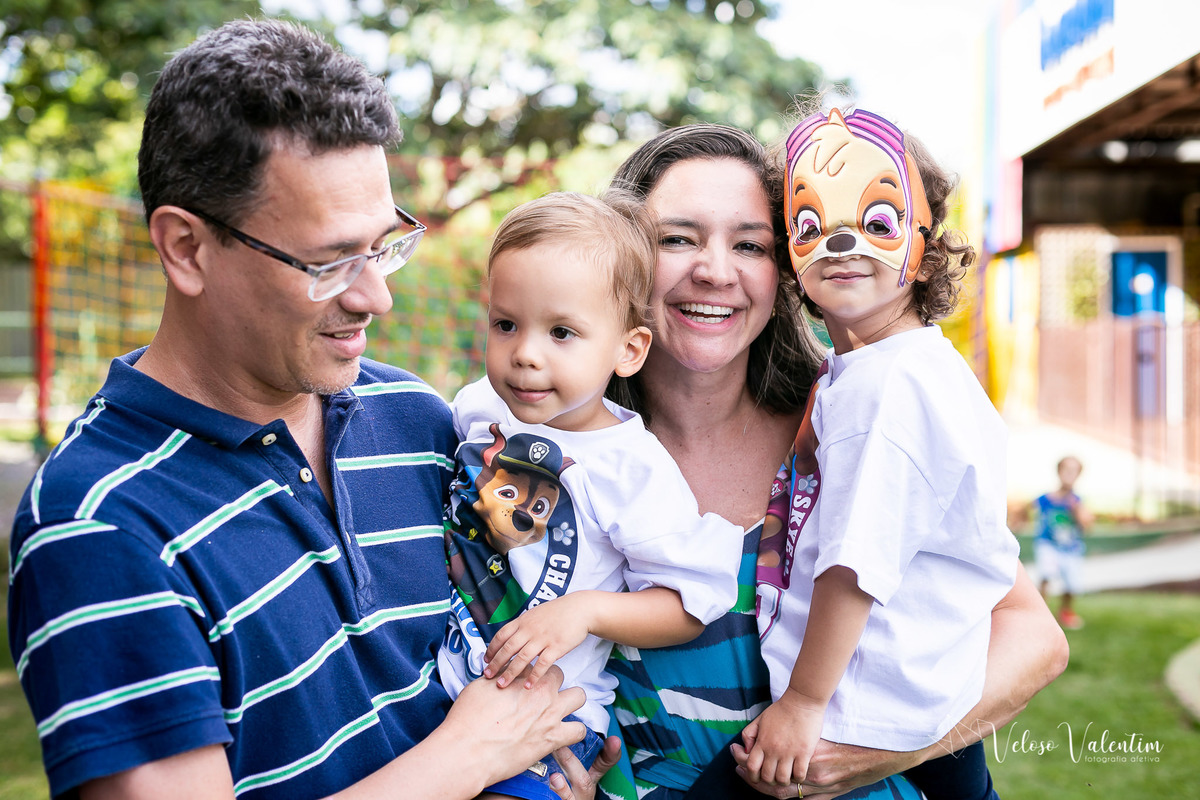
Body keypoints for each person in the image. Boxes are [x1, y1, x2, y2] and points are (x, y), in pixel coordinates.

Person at [6, 19, 616, 800]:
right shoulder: (100, 523)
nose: (376, 296)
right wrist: (469, 758)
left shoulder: (418, 419)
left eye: (385, 244)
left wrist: (554, 758)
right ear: (186, 248)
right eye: (330, 263)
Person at [597, 123, 1070, 800]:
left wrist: (874, 751)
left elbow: (1032, 636)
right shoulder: (571, 449)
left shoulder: (860, 413)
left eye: (750, 244)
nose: (716, 270)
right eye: (677, 238)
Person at [746, 107, 1019, 800]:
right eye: (809, 225)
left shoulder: (888, 386)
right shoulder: (898, 370)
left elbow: (854, 562)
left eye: (878, 222)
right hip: (912, 702)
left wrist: (804, 703)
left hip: (865, 713)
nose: (839, 239)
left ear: (926, 249)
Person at [437, 191, 742, 800]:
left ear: (627, 350)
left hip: (543, 722)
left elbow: (695, 598)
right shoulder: (478, 409)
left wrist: (584, 612)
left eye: (562, 332)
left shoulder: (630, 467)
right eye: (506, 324)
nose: (525, 353)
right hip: (435, 690)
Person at [1031, 456, 1091, 630]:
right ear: (1058, 472)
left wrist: (1075, 508)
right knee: (1046, 574)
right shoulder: (1046, 498)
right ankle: (1039, 614)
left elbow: (1087, 525)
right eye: (1066, 470)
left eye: (1074, 471)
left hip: (1070, 548)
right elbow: (1027, 508)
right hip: (1047, 544)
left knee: (1073, 584)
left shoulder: (1077, 501)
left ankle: (1065, 612)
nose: (1069, 474)